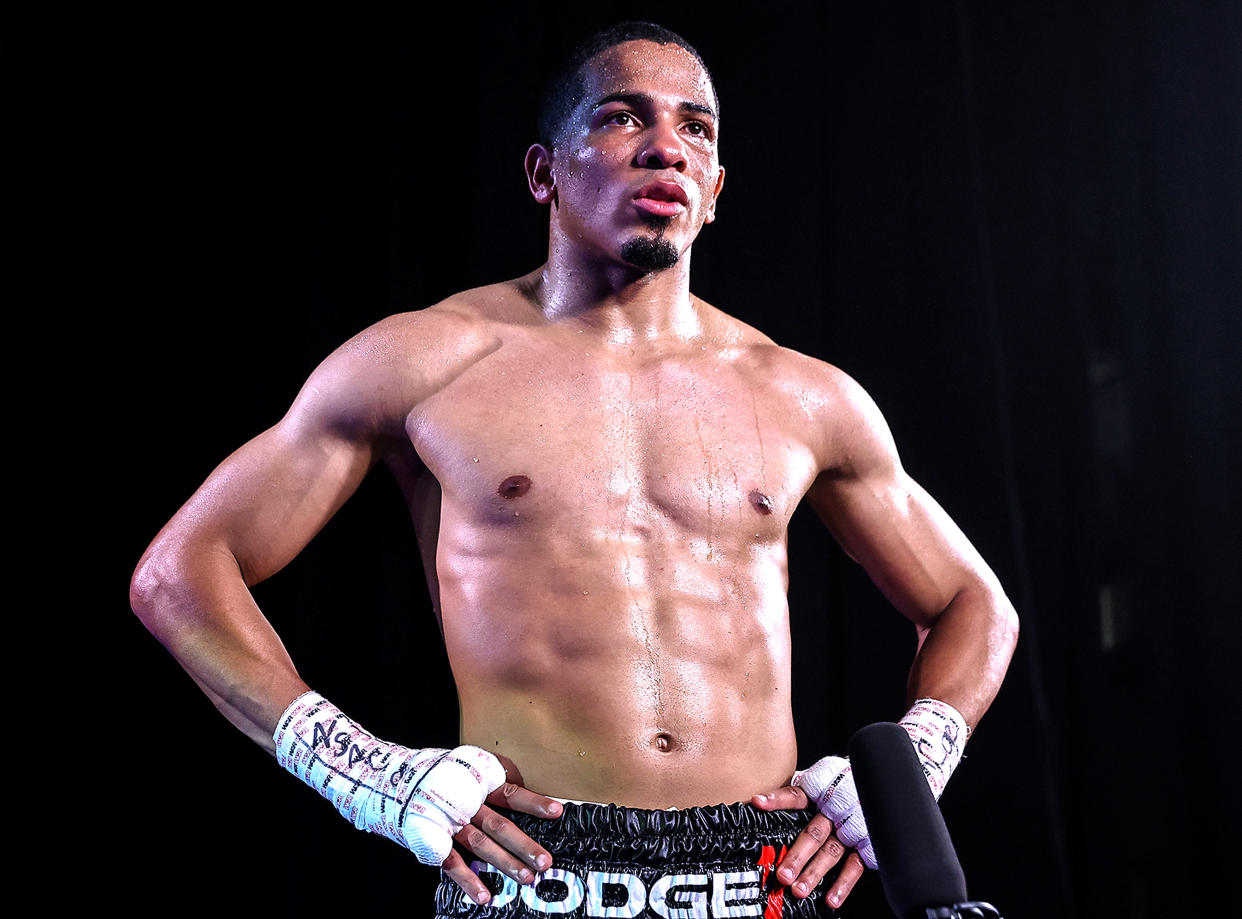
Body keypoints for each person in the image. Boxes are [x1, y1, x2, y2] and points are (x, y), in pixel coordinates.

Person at [130, 21, 1018, 917]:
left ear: (714, 189)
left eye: (696, 129)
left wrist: (915, 759)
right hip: (527, 869)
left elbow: (975, 604)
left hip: (764, 875)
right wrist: (365, 772)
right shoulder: (426, 362)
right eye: (623, 118)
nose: (666, 146)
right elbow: (178, 574)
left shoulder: (804, 396)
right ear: (544, 172)